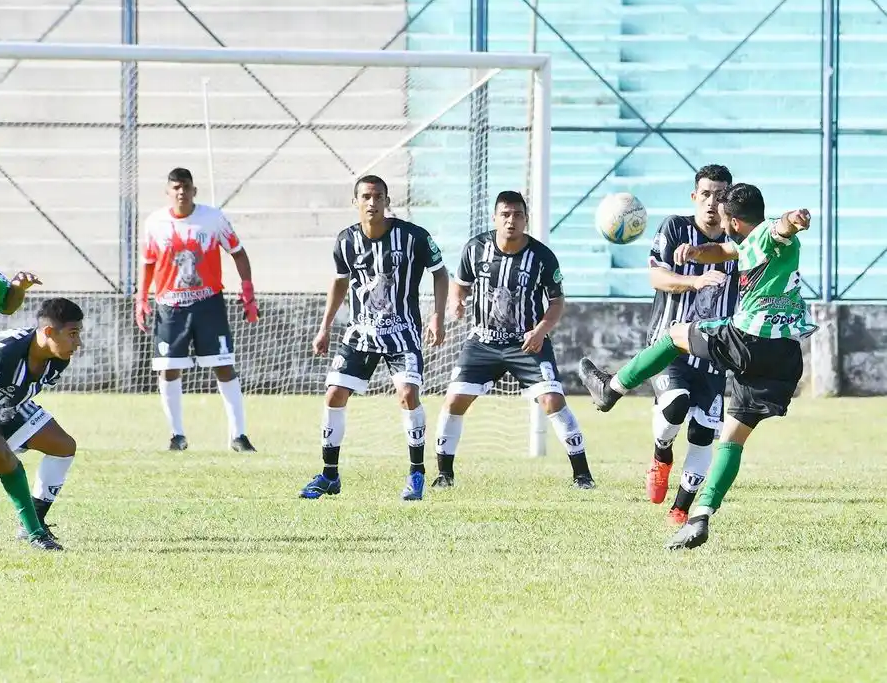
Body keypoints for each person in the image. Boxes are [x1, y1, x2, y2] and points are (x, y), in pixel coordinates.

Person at [577, 184, 816, 549]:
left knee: (675, 335)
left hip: (749, 339)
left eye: (724, 220)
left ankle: (611, 389)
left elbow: (779, 228)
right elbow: (722, 249)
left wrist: (793, 220)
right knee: (732, 440)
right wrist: (693, 253)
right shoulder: (747, 242)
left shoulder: (767, 233)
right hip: (784, 355)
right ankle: (699, 517)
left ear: (734, 221)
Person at [431, 190, 596, 490]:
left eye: (517, 215)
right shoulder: (475, 249)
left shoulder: (542, 256)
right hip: (483, 342)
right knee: (454, 400)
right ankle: (444, 475)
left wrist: (540, 331)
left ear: (526, 219)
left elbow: (557, 302)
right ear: (495, 218)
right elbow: (460, 285)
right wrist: (456, 302)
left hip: (527, 343)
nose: (511, 221)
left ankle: (582, 475)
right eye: (505, 215)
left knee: (552, 400)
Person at [300, 175, 449, 501]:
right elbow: (340, 282)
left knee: (408, 394)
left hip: (402, 331)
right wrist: (325, 326)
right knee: (334, 394)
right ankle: (329, 475)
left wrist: (437, 314)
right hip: (360, 333)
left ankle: (417, 473)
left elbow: (440, 271)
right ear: (355, 202)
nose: (372, 202)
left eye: (378, 196)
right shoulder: (345, 241)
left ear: (386, 200)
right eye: (366, 196)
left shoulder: (414, 237)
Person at [136, 167, 259, 452]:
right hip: (170, 307)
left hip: (208, 303)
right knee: (168, 370)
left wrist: (247, 290)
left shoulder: (212, 218)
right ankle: (176, 435)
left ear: (194, 191)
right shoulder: (155, 223)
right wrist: (141, 298)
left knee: (223, 365)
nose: (181, 192)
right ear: (168, 192)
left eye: (186, 187)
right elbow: (148, 262)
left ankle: (238, 436)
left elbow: (237, 251)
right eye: (176, 188)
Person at [644, 164, 737, 525]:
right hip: (671, 344)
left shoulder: (738, 243)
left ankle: (681, 507)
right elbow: (656, 275)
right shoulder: (675, 228)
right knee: (676, 405)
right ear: (694, 197)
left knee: (702, 434)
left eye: (721, 195)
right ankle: (661, 453)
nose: (713, 202)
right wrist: (693, 282)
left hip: (716, 351)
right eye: (707, 194)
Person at [0, 297, 86, 551]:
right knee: (3, 457)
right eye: (73, 334)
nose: (78, 343)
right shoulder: (1, 355)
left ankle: (34, 519)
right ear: (50, 332)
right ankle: (36, 535)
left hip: (5, 404)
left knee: (63, 446)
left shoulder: (58, 358)